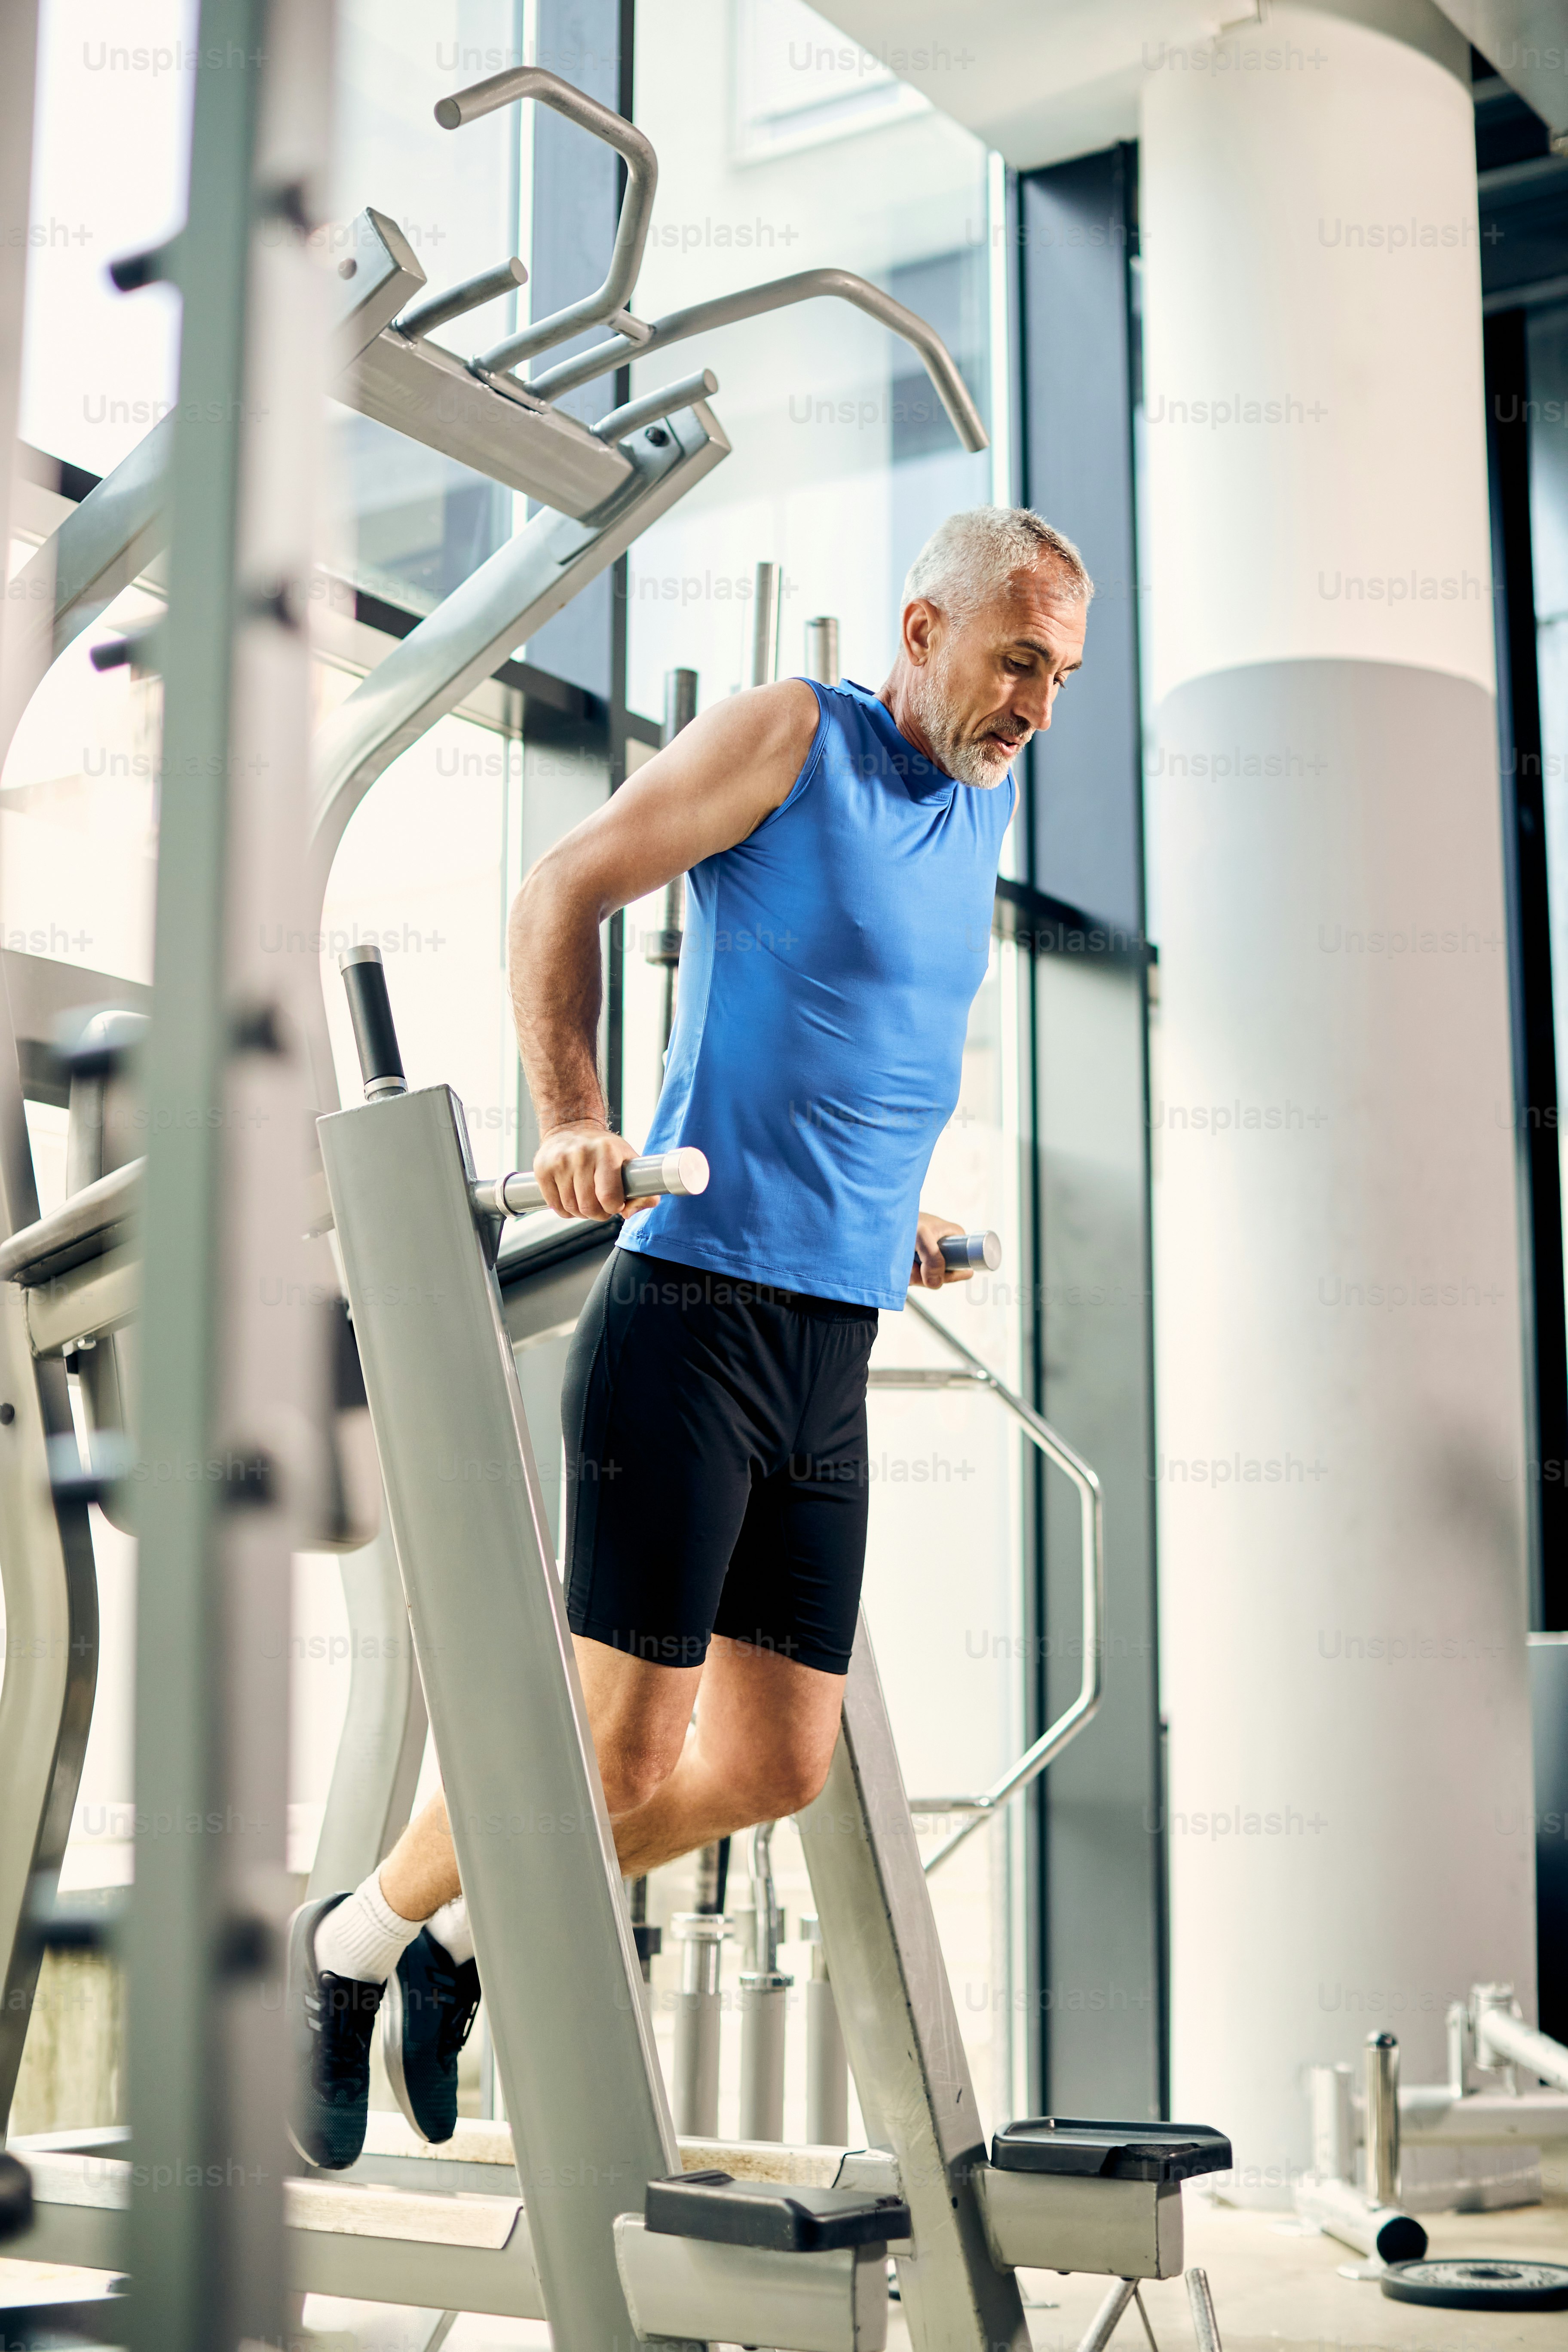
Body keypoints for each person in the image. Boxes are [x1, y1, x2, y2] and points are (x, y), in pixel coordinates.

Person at [288, 504, 1092, 2168]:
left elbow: (861, 1045)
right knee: (615, 1750)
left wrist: (891, 1216)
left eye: (1061, 677)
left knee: (776, 1764)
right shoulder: (793, 737)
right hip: (693, 1314)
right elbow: (560, 888)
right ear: (925, 632)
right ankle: (353, 1944)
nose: (1036, 703)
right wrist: (574, 1119)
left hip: (831, 1339)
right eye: (1019, 660)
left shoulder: (976, 808)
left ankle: (460, 1936)